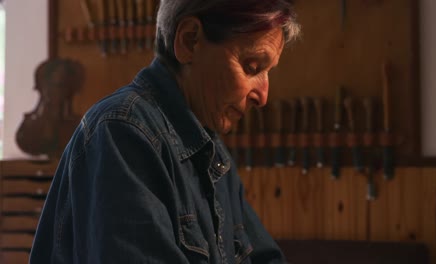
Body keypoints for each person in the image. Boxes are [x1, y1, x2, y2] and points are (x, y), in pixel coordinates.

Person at [30, 0, 301, 263]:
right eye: (252, 67)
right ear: (189, 40)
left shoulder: (210, 149)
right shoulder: (123, 134)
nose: (263, 96)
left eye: (267, 72)